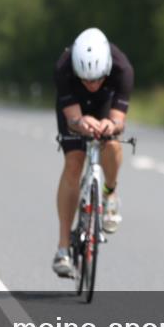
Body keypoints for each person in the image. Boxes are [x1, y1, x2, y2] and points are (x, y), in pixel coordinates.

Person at [51, 28, 134, 278]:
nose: (92, 85)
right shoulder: (63, 67)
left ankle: (110, 193)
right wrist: (80, 122)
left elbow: (119, 121)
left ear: (107, 68)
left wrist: (111, 125)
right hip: (75, 108)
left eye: (97, 79)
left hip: (105, 106)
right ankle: (63, 247)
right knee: (74, 162)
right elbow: (73, 118)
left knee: (112, 143)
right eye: (86, 80)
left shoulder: (122, 70)